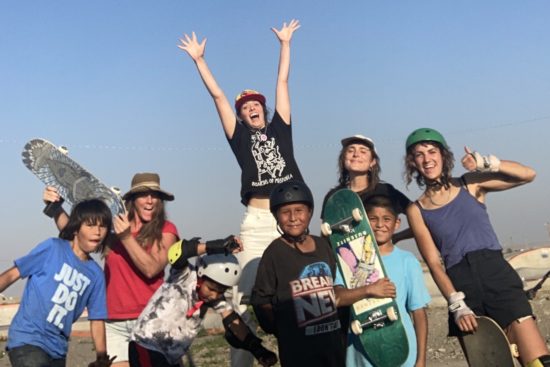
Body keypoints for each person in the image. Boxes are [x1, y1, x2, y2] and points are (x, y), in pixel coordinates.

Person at [178, 19, 304, 367]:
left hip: (291, 218)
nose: (252, 107)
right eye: (245, 106)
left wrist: (285, 44)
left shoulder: (281, 127)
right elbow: (218, 96)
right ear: (242, 116)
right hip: (257, 223)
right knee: (244, 300)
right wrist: (199, 61)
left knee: (300, 295)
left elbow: (282, 81)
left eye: (256, 104)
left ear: (264, 109)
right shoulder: (239, 137)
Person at [404, 127, 550, 367]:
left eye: (432, 151)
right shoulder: (416, 209)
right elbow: (433, 263)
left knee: (539, 362)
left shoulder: (469, 184)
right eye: (419, 154)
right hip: (462, 287)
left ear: (443, 155)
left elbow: (527, 174)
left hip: (496, 274)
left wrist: (486, 163)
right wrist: (456, 304)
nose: (427, 158)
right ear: (413, 163)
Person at [251, 180, 396, 367]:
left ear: (310, 212)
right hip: (299, 353)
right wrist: (284, 329)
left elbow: (338, 289)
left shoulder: (323, 246)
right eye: (285, 212)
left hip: (333, 347)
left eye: (299, 210)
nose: (293, 217)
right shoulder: (274, 253)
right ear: (276, 216)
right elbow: (261, 301)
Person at [43, 172, 179, 366]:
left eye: (155, 195)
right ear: (132, 200)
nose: (150, 201)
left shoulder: (166, 229)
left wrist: (126, 237)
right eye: (143, 195)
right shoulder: (114, 227)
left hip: (150, 319)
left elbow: (152, 268)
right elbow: (76, 234)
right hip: (114, 322)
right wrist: (55, 208)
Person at [129, 236, 277, 367]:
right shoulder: (184, 275)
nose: (214, 295)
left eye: (221, 291)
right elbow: (177, 252)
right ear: (201, 275)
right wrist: (215, 246)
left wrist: (258, 350)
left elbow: (233, 322)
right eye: (211, 288)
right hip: (146, 345)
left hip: (170, 357)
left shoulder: (216, 299)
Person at [0, 199, 115, 367]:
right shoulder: (52, 248)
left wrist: (101, 356)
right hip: (28, 339)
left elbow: (97, 319)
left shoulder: (96, 275)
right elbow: (12, 274)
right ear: (76, 228)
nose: (97, 232)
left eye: (102, 226)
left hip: (58, 349)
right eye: (90, 225)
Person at [342, 195, 430, 367]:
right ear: (363, 222)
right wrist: (368, 290)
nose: (380, 225)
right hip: (362, 355)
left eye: (386, 219)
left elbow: (418, 313)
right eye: (373, 219)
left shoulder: (407, 260)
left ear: (397, 223)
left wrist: (421, 360)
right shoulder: (349, 258)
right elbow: (337, 298)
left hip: (402, 353)